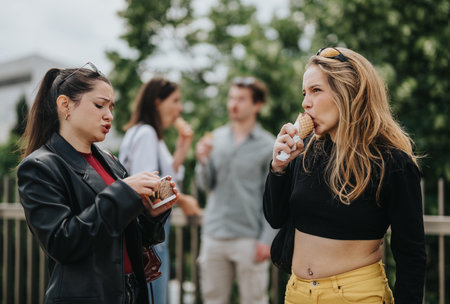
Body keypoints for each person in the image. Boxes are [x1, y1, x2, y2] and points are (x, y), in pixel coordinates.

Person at [264, 47, 426, 304]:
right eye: (304, 93)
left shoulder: (393, 163)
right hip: (297, 294)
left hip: (357, 296)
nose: (305, 102)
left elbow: (411, 253)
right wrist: (278, 168)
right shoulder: (305, 154)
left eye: (316, 90)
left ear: (348, 92)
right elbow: (275, 218)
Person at [17, 63, 177, 304]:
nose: (109, 115)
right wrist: (123, 192)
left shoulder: (110, 162)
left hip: (129, 293)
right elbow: (62, 242)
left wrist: (153, 215)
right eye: (99, 105)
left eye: (111, 107)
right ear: (65, 105)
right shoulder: (39, 166)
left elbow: (128, 234)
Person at [119, 77, 202, 304]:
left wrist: (183, 146)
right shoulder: (147, 134)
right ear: (157, 102)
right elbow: (150, 187)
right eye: (175, 100)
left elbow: (166, 176)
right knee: (155, 297)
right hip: (150, 235)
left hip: (144, 233)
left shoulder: (143, 132)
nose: (180, 108)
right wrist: (183, 201)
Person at [195, 76, 276, 304]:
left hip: (249, 238)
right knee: (213, 300)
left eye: (241, 99)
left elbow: (272, 196)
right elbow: (205, 185)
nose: (234, 104)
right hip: (213, 235)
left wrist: (267, 240)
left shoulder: (268, 145)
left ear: (257, 105)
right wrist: (202, 161)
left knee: (254, 300)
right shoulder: (216, 139)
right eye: (231, 98)